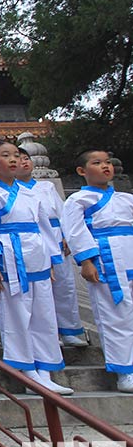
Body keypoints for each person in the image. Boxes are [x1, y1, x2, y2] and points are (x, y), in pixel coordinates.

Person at [0, 141, 71, 395]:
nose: (13, 160)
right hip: (9, 255)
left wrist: (51, 259)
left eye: (16, 155)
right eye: (6, 156)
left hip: (36, 254)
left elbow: (45, 228)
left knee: (44, 314)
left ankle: (45, 369)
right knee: (18, 314)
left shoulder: (33, 192)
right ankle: (27, 370)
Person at [62, 150, 133, 393]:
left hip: (129, 252)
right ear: (82, 171)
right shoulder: (78, 200)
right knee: (115, 314)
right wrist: (86, 261)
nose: (105, 167)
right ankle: (124, 371)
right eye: (97, 163)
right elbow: (74, 231)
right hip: (105, 257)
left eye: (107, 162)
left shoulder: (126, 199)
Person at [15, 149, 87, 347]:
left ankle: (69, 330)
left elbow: (63, 213)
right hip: (31, 238)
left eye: (26, 158)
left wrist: (66, 235)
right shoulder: (11, 190)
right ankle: (47, 333)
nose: (24, 162)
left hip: (55, 237)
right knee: (39, 289)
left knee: (64, 285)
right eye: (18, 159)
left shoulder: (46, 186)